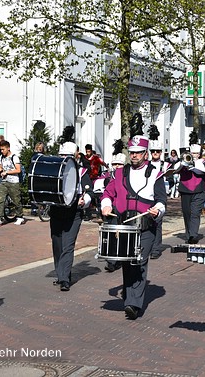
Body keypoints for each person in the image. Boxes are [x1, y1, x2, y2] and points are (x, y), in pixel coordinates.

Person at [100, 135, 166, 319]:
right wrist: (105, 204)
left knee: (139, 261)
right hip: (124, 225)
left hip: (145, 226)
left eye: (138, 153)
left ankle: (133, 304)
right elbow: (108, 193)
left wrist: (157, 210)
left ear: (146, 153)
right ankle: (130, 298)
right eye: (132, 153)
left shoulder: (156, 174)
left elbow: (162, 201)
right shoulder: (119, 173)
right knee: (127, 263)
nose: (134, 156)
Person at [49, 142, 93, 290]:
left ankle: (64, 279)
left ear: (75, 156)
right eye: (62, 155)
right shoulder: (55, 171)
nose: (64, 158)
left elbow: (90, 192)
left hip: (74, 213)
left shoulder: (82, 172)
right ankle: (61, 273)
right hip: (56, 212)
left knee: (68, 245)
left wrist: (84, 200)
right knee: (57, 245)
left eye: (68, 156)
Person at [175, 144, 205, 244]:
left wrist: (194, 166)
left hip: (199, 190)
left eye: (196, 153)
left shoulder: (204, 161)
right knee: (187, 213)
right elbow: (175, 170)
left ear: (199, 154)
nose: (194, 155)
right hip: (185, 190)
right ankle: (188, 233)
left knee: (195, 213)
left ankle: (193, 235)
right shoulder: (183, 161)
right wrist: (183, 164)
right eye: (192, 153)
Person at [0, 140, 24, 226]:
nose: (1, 151)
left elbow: (18, 170)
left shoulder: (14, 157)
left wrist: (7, 172)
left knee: (16, 201)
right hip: (4, 182)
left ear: (8, 148)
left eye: (3, 149)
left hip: (13, 182)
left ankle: (20, 217)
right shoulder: (2, 157)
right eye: (0, 149)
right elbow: (1, 167)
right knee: (0, 200)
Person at [148, 139, 170, 259]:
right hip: (149, 194)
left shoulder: (165, 165)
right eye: (153, 151)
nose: (155, 153)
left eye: (157, 151)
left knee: (158, 221)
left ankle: (156, 248)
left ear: (161, 152)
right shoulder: (146, 164)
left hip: (161, 194)